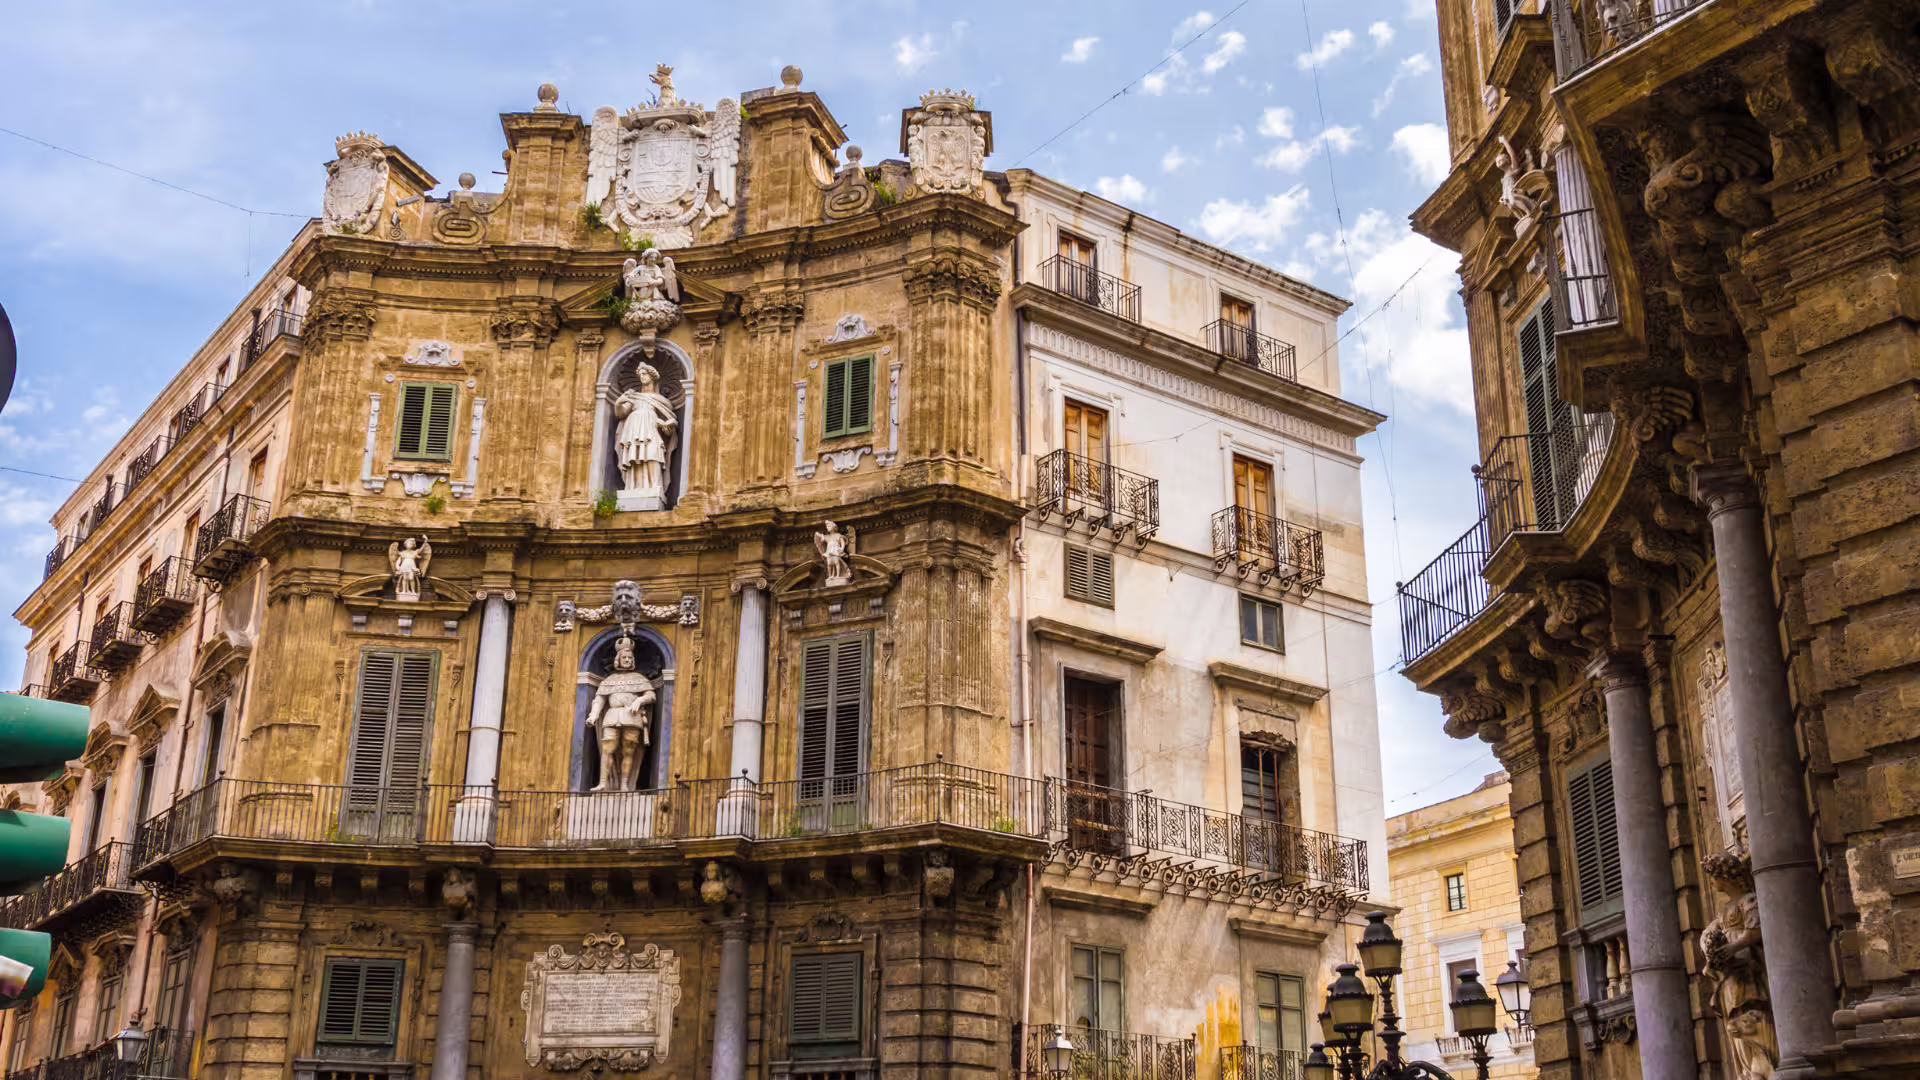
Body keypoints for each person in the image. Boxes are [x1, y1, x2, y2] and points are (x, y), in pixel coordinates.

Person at [587, 636, 656, 792]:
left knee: (628, 750)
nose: (627, 659)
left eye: (629, 657)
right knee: (607, 748)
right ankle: (603, 782)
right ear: (618, 659)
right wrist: (594, 715)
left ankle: (625, 784)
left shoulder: (639, 678)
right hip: (611, 716)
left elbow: (652, 696)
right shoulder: (609, 680)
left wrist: (639, 701)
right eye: (624, 657)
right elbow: (599, 700)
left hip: (632, 717)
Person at [615, 363, 678, 499]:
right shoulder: (634, 397)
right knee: (635, 456)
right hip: (634, 429)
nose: (641, 377)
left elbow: (669, 430)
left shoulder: (662, 400)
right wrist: (618, 403)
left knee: (652, 453)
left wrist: (667, 426)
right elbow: (621, 413)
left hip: (650, 429)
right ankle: (634, 487)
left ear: (652, 377)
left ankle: (655, 487)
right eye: (640, 375)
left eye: (644, 374)